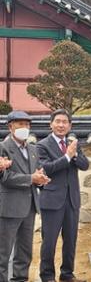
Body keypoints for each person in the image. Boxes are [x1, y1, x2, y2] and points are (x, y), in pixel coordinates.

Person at [37, 109, 89, 282]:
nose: (61, 125)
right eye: (57, 121)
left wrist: (74, 156)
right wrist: (67, 156)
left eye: (64, 122)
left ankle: (67, 274)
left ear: (70, 125)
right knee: (49, 241)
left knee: (71, 240)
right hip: (51, 200)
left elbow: (85, 165)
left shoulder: (73, 144)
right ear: (51, 124)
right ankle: (47, 276)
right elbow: (47, 168)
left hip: (72, 200)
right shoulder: (42, 145)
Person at [0, 111, 50, 281]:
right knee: (3, 252)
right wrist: (31, 178)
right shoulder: (3, 147)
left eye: (27, 124)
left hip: (29, 207)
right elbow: (4, 178)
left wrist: (40, 180)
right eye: (20, 124)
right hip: (9, 207)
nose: (25, 128)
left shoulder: (32, 149)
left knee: (25, 251)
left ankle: (20, 279)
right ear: (10, 126)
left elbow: (34, 175)